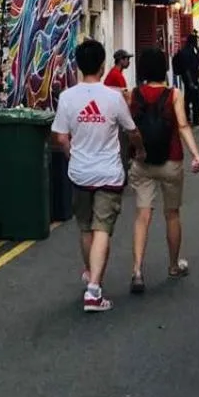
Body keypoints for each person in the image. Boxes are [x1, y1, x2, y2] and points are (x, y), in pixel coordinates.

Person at [51, 38, 138, 313]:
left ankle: (91, 274)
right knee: (103, 229)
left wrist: (71, 156)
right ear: (102, 66)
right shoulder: (113, 97)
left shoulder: (67, 98)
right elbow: (131, 130)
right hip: (108, 174)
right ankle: (94, 289)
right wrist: (141, 150)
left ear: (78, 66)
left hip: (79, 173)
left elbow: (61, 138)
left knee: (86, 227)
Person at [128, 47, 199, 291]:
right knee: (172, 214)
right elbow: (182, 126)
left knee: (142, 215)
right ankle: (173, 265)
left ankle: (137, 270)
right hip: (171, 160)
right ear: (164, 68)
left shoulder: (134, 94)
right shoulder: (174, 94)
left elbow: (129, 128)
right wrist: (196, 154)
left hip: (142, 161)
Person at [172, 32, 199, 130]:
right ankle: (193, 118)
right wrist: (190, 81)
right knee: (193, 99)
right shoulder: (187, 52)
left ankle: (190, 118)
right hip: (190, 78)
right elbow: (186, 68)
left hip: (190, 78)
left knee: (189, 98)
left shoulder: (191, 50)